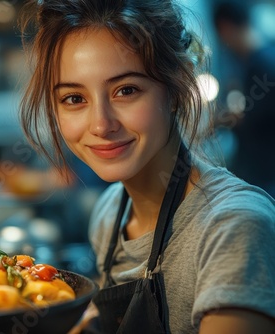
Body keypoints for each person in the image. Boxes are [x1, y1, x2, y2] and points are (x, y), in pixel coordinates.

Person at [18, 0, 275, 333]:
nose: (101, 125)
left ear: (176, 90)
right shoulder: (110, 214)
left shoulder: (233, 228)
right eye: (74, 98)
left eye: (126, 90)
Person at [213, 1, 275, 197]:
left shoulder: (261, 64)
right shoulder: (265, 56)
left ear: (225, 27)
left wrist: (219, 120)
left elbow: (251, 119)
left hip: (266, 172)